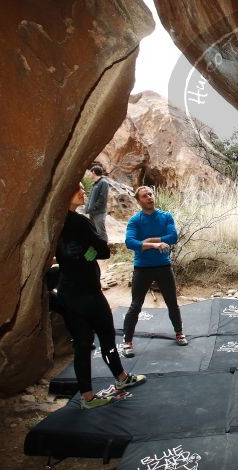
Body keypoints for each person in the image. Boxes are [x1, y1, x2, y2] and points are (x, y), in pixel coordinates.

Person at [55, 182, 146, 409]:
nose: (83, 191)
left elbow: (62, 256)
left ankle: (87, 397)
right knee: (106, 336)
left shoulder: (53, 223)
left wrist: (78, 254)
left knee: (83, 345)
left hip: (67, 291)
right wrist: (90, 251)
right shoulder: (79, 222)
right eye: (77, 189)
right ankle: (122, 378)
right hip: (88, 292)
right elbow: (103, 250)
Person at [122, 186, 186, 357]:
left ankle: (179, 332)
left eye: (150, 194)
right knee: (136, 305)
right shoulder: (135, 220)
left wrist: (150, 239)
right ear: (139, 201)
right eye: (144, 196)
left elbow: (173, 237)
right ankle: (127, 341)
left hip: (163, 266)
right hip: (142, 268)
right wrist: (154, 245)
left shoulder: (165, 216)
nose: (149, 197)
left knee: (172, 302)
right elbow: (130, 242)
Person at [85, 165, 109, 242]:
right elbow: (91, 198)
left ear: (94, 172)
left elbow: (103, 198)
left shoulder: (103, 182)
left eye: (90, 173)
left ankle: (105, 250)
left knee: (101, 232)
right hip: (92, 212)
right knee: (93, 232)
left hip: (99, 212)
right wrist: (87, 208)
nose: (89, 175)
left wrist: (94, 207)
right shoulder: (95, 183)